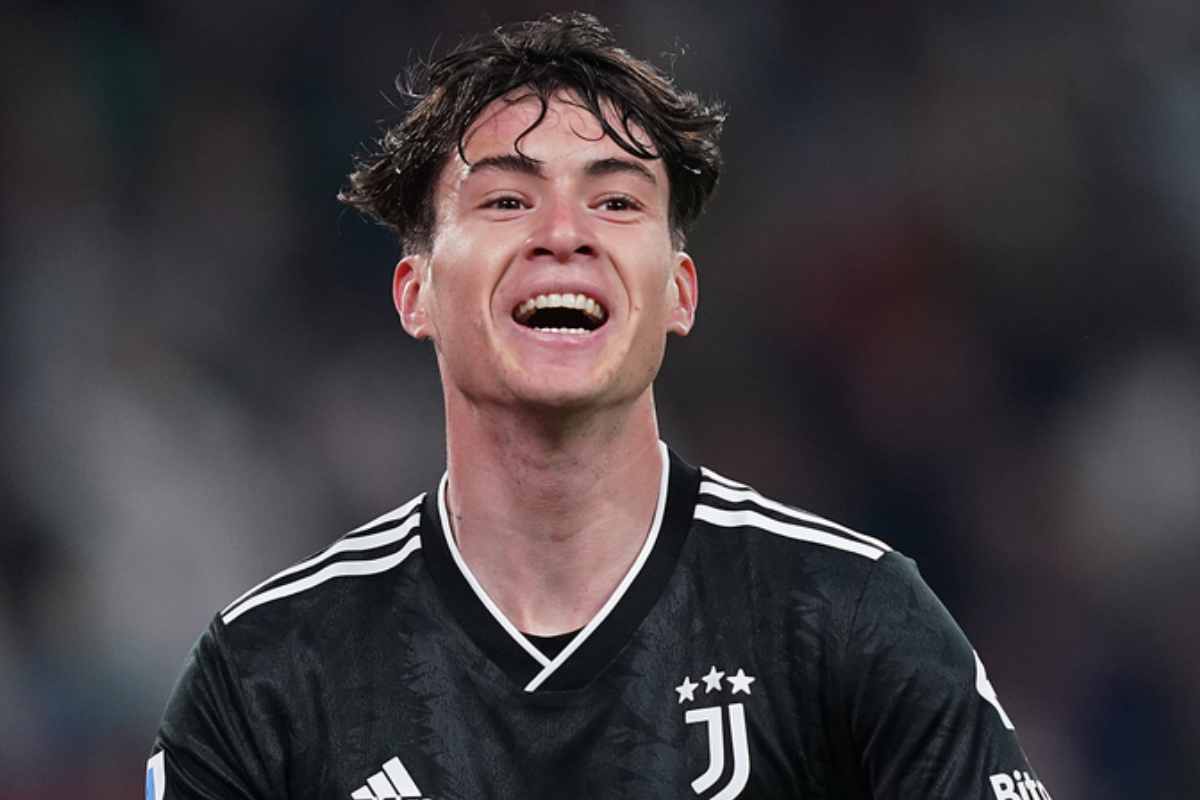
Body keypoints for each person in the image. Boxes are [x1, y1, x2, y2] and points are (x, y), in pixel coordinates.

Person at [149, 13, 1050, 800]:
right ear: (415, 293)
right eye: (507, 199)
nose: (563, 234)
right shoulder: (269, 678)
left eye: (616, 200)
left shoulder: (849, 620)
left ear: (679, 293)